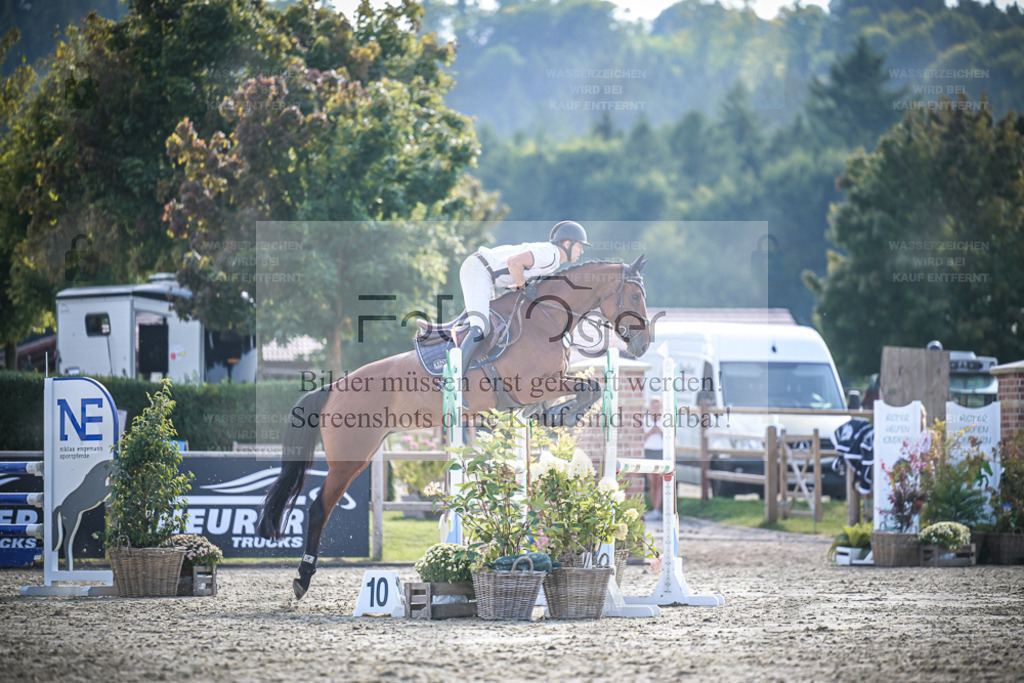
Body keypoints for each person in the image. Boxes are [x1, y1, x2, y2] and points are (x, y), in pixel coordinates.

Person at [457, 220, 590, 368]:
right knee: (481, 326)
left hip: (486, 275)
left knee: (494, 324)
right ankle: (453, 375)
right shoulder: (549, 254)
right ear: (567, 244)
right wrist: (523, 286)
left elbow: (514, 279)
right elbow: (514, 263)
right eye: (579, 246)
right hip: (479, 270)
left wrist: (522, 287)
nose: (581, 251)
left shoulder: (553, 261)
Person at [643, 397, 664, 520]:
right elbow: (642, 438)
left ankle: (657, 509)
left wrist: (659, 431)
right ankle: (653, 508)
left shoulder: (664, 421)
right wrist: (651, 432)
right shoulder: (646, 420)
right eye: (654, 407)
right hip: (649, 451)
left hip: (660, 452)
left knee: (659, 481)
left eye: (658, 407)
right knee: (652, 482)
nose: (655, 409)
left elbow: (668, 438)